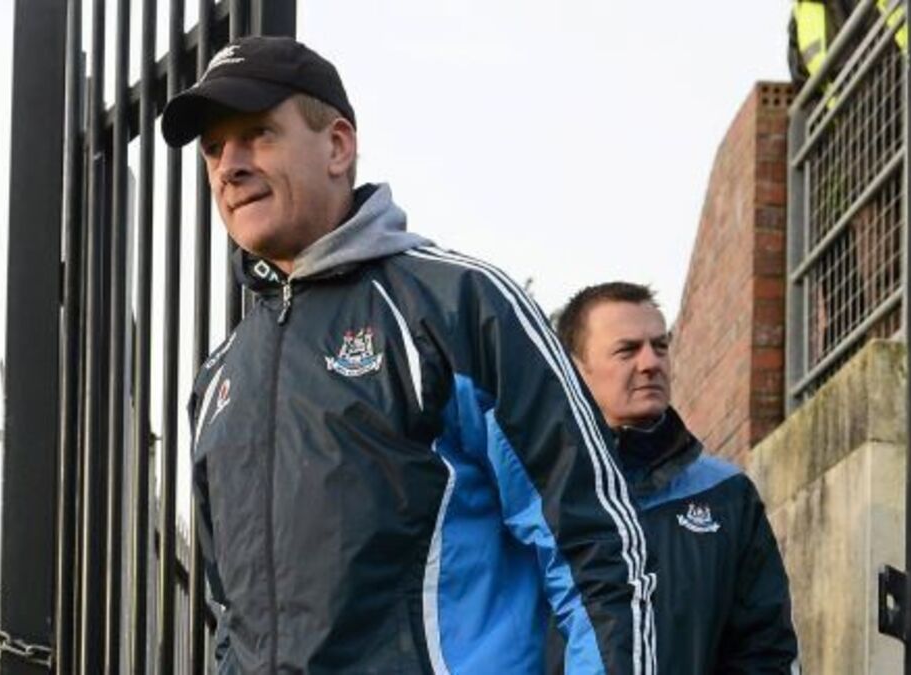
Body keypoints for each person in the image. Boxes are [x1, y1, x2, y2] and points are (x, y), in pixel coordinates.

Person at [161, 36, 656, 674]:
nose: (229, 166)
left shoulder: (460, 308)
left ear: (338, 146)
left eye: (257, 134)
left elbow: (596, 552)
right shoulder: (218, 380)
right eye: (213, 148)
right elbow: (232, 621)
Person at [555, 282, 800, 674]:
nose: (651, 363)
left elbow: (764, 650)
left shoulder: (726, 494)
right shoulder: (533, 493)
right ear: (575, 370)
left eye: (660, 346)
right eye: (627, 350)